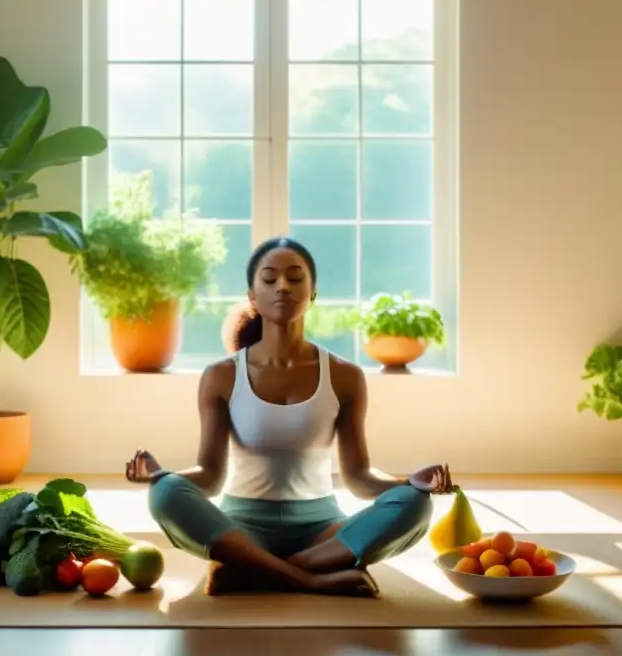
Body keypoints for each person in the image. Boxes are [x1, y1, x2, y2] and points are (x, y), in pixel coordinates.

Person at [126, 236, 455, 597]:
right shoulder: (221, 375)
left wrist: (410, 483)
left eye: (295, 278)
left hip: (322, 531)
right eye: (269, 279)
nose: (282, 286)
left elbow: (359, 477)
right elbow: (210, 476)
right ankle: (310, 578)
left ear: (312, 293)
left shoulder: (345, 376)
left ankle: (253, 570)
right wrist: (158, 475)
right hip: (242, 527)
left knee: (415, 506)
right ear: (252, 296)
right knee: (166, 493)